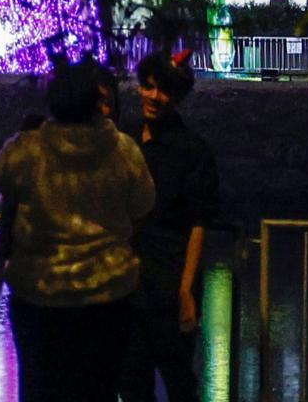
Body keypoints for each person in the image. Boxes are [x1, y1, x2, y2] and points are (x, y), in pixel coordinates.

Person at [0, 62, 155, 402]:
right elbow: (143, 204)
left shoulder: (28, 150)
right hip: (108, 295)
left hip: (40, 293)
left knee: (40, 389)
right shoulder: (123, 150)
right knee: (99, 390)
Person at [124, 50, 223, 402]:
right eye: (148, 87)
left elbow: (199, 222)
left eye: (163, 90)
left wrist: (186, 291)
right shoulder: (126, 140)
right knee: (132, 384)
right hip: (126, 284)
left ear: (178, 97)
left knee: (180, 381)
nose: (154, 97)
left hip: (168, 281)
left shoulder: (192, 151)